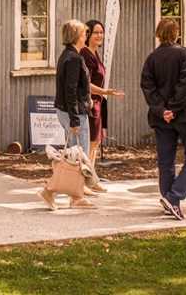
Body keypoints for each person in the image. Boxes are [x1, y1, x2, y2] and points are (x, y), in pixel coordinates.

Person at [140, 18, 186, 221]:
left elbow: (147, 87)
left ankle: (169, 201)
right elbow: (185, 85)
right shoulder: (185, 55)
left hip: (162, 117)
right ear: (177, 33)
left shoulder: (151, 58)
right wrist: (173, 108)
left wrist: (162, 110)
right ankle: (174, 197)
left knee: (166, 161)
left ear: (158, 34)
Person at [40, 19, 95, 209]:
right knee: (78, 158)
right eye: (84, 34)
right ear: (77, 36)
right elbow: (70, 89)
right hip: (74, 113)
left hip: (70, 110)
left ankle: (75, 196)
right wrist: (74, 118)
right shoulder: (73, 58)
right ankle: (53, 192)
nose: (86, 36)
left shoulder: (68, 56)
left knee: (74, 157)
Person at [80, 19, 125, 170]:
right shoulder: (85, 54)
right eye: (96, 33)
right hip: (90, 103)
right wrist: (105, 92)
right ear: (88, 34)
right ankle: (84, 180)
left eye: (101, 32)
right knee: (90, 143)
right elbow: (85, 84)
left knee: (95, 143)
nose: (100, 35)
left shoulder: (95, 53)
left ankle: (90, 177)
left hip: (98, 104)